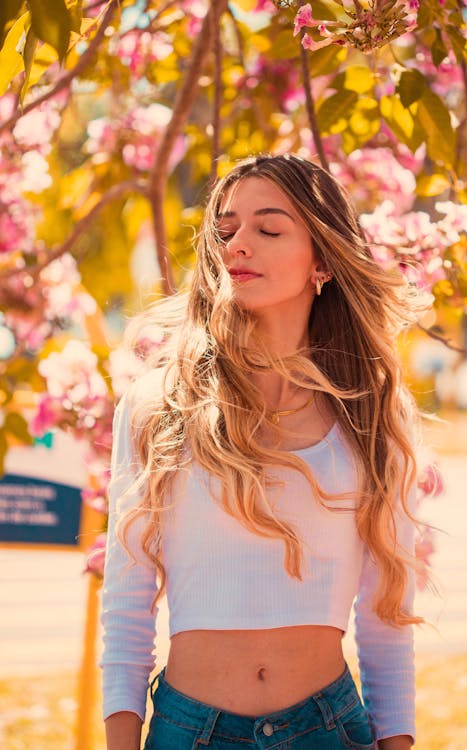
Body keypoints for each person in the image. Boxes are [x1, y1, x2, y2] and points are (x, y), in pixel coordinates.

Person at [101, 153, 423, 750]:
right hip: (188, 730)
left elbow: (386, 619)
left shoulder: (374, 412)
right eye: (225, 230)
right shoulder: (157, 404)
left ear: (323, 259)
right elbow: (126, 598)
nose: (237, 245)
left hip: (327, 730)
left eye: (268, 229)